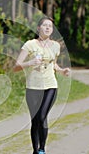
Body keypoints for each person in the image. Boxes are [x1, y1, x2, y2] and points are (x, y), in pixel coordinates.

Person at [13, 17, 70, 154]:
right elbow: (16, 66)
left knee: (42, 116)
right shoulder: (30, 44)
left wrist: (62, 71)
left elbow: (53, 64)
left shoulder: (56, 46)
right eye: (44, 25)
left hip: (50, 86)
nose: (48, 28)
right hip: (33, 87)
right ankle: (35, 151)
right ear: (38, 28)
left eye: (50, 26)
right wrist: (30, 63)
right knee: (35, 120)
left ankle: (42, 149)